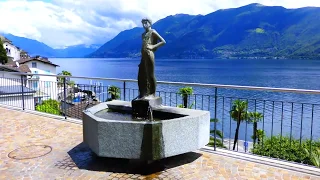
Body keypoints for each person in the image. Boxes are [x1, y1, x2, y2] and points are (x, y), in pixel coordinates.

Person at [138, 18, 166, 98]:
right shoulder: (143, 34)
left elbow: (163, 41)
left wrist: (153, 46)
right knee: (141, 75)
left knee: (150, 74)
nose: (144, 25)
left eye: (146, 22)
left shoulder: (153, 31)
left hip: (149, 53)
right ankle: (143, 93)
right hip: (143, 55)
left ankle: (152, 93)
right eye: (143, 23)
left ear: (150, 23)